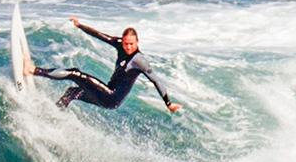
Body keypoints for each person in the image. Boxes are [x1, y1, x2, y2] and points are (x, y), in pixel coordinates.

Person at [27, 18, 182, 112]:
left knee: (75, 74)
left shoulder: (139, 60)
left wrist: (168, 103)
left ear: (137, 42)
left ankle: (33, 70)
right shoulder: (120, 44)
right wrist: (80, 26)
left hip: (111, 98)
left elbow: (156, 80)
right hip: (106, 95)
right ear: (122, 41)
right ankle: (54, 114)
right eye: (126, 44)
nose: (128, 47)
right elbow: (100, 35)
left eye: (132, 44)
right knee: (72, 92)